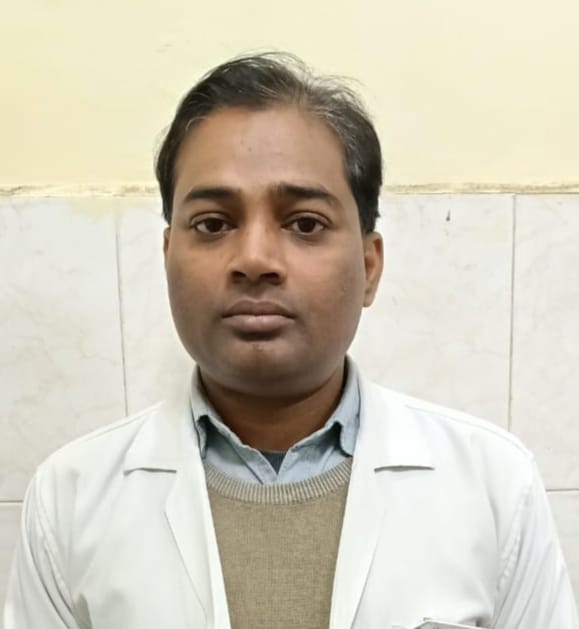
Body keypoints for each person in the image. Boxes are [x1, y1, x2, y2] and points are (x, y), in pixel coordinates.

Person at [3, 53, 578, 629]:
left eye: (305, 223)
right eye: (213, 224)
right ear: (167, 255)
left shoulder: (495, 487)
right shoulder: (70, 500)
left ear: (369, 266)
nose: (254, 259)